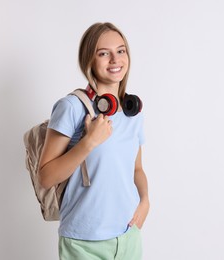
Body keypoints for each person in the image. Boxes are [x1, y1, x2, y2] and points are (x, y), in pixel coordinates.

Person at [38, 22, 149, 260]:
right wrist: (88, 142)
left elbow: (136, 168)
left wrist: (145, 200)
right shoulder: (71, 107)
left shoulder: (132, 111)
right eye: (103, 53)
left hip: (128, 235)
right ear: (89, 60)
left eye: (121, 51)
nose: (115, 59)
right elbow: (46, 177)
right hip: (84, 243)